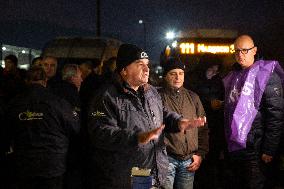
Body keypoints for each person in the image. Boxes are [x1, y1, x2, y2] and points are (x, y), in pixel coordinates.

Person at [87, 44, 206, 189]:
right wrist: (136, 137)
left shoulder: (150, 92)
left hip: (154, 170)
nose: (146, 69)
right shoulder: (106, 96)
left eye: (147, 64)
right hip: (130, 172)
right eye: (140, 64)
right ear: (124, 70)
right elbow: (100, 132)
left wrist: (179, 122)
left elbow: (163, 114)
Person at [223, 35, 284, 189]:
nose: (240, 54)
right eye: (236, 51)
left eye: (245, 50)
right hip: (236, 146)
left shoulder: (267, 75)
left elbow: (275, 116)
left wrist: (269, 149)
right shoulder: (233, 75)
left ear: (254, 50)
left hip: (256, 147)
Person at [4, 66, 80, 189]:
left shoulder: (14, 104)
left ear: (26, 81)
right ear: (45, 81)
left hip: (23, 165)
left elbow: (6, 132)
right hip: (52, 165)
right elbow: (74, 127)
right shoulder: (59, 103)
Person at [158, 58, 209, 189]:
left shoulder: (193, 97)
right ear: (165, 76)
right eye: (172, 73)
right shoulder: (157, 97)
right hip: (166, 160)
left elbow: (203, 129)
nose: (177, 77)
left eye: (181, 73)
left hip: (188, 161)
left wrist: (200, 154)